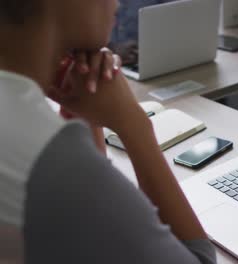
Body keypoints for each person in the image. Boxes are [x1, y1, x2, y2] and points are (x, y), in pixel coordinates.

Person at [0, 1, 215, 263]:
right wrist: (134, 125)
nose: (117, 2)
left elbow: (91, 229)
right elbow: (198, 259)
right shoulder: (49, 157)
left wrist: (83, 113)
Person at [110, 0, 174, 65]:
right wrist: (112, 50)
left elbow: (175, 24)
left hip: (147, 62)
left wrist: (145, 49)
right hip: (107, 61)